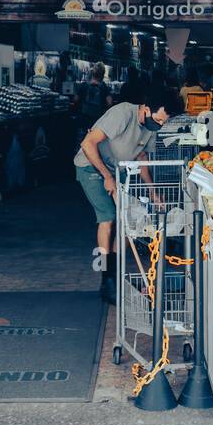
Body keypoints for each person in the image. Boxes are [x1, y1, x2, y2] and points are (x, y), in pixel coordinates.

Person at [75, 86, 185, 301]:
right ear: (145, 108)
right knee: (108, 217)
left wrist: (152, 192)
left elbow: (142, 157)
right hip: (91, 167)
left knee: (127, 220)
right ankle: (106, 279)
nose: (159, 124)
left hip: (118, 170)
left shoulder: (150, 127)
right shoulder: (122, 114)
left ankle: (115, 273)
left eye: (163, 122)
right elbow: (87, 143)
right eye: (158, 119)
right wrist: (107, 176)